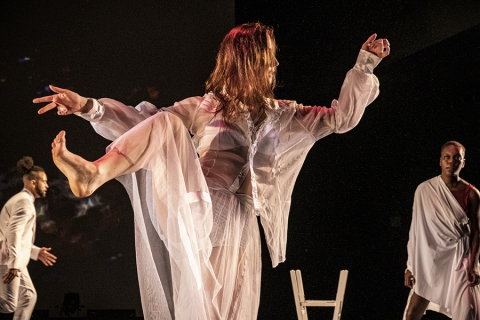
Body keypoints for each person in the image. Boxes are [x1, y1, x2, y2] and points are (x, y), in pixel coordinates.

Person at [34, 23, 390, 319]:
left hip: (243, 220)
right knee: (165, 124)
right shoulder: (204, 106)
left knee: (223, 311)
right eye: (268, 58)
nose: (275, 64)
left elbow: (341, 119)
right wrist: (89, 107)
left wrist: (364, 65)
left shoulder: (285, 113)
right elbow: (140, 123)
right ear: (249, 62)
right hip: (200, 209)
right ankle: (94, 173)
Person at [403, 141, 480, 320]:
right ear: (440, 161)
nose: (451, 161)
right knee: (412, 313)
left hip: (460, 260)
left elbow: (477, 232)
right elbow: (416, 231)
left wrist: (473, 265)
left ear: (463, 162)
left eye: (456, 158)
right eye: (447, 157)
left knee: (466, 312)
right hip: (431, 261)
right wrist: (410, 266)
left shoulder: (472, 193)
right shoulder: (424, 190)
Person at [0, 157, 57, 320]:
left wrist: (36, 252)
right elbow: (13, 234)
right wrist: (13, 265)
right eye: (44, 181)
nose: (47, 185)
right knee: (9, 305)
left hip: (14, 258)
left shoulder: (23, 201)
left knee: (28, 296)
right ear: (33, 182)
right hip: (8, 259)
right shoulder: (24, 202)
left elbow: (19, 237)